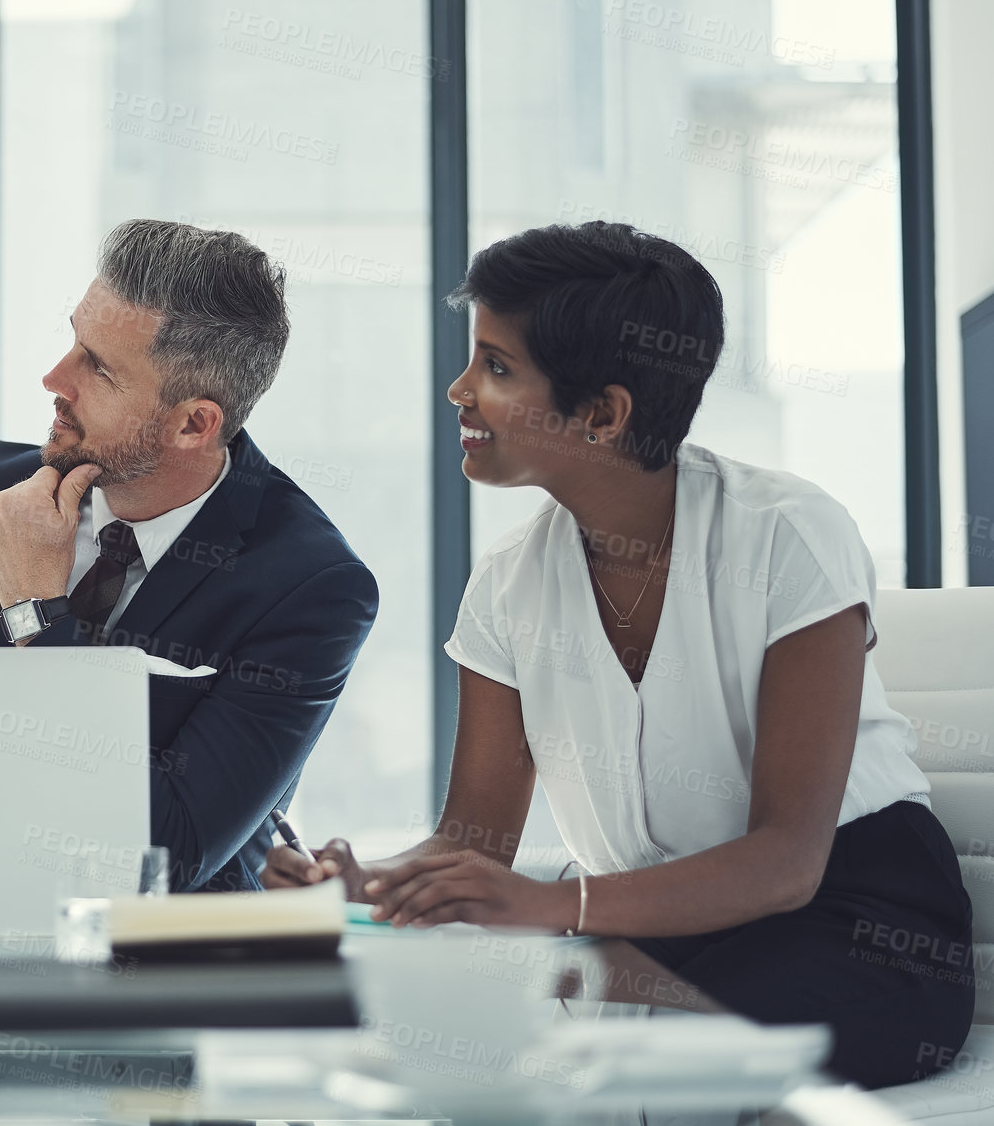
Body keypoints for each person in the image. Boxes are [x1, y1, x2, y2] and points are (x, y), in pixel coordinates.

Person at [263, 222, 973, 1089]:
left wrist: (557, 912)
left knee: (626, 1059)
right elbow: (473, 843)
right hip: (654, 923)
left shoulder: (789, 534)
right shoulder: (506, 587)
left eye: (496, 367)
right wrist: (367, 887)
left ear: (602, 413)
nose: (460, 390)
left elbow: (788, 862)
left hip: (853, 922)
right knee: (461, 1029)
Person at [0, 219, 377, 892]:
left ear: (194, 423)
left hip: (161, 979)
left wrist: (34, 611)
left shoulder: (311, 587)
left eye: (98, 368)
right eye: (74, 340)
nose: (53, 378)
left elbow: (165, 855)